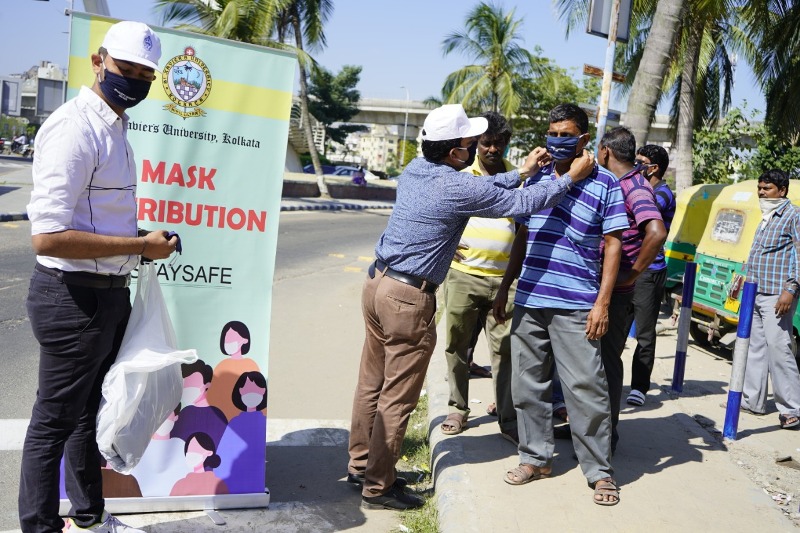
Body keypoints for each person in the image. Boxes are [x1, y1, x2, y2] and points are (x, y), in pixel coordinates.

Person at [347, 103, 595, 511]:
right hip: (407, 298)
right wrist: (569, 178)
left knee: (371, 383)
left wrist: (522, 172)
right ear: (455, 152)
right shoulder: (456, 186)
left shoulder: (416, 169)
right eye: (469, 142)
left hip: (378, 283)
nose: (476, 147)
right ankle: (378, 486)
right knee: (397, 395)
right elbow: (521, 204)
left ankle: (361, 465)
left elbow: (488, 187)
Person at [20, 21, 178, 533]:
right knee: (54, 422)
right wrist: (139, 246)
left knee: (87, 415)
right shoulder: (75, 128)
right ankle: (40, 527)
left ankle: (88, 517)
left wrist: (141, 240)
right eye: (125, 69)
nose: (134, 81)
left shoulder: (116, 127)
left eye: (145, 75)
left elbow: (96, 220)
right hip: (72, 299)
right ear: (98, 62)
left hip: (106, 295)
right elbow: (47, 237)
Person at [493, 103, 627, 506]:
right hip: (531, 297)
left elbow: (614, 244)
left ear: (583, 138)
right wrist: (506, 287)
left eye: (565, 135)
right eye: (552, 133)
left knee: (586, 389)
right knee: (527, 385)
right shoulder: (537, 178)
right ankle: (535, 458)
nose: (556, 141)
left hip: (577, 303)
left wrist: (602, 303)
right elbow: (521, 235)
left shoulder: (606, 183)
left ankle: (599, 471)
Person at [440, 111, 519, 443]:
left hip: (506, 281)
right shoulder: (461, 175)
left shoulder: (519, 177)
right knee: (457, 345)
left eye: (499, 143)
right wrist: (446, 245)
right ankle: (457, 409)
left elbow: (525, 228)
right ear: (476, 143)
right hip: (463, 277)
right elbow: (440, 214)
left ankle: (508, 418)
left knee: (506, 351)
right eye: (486, 143)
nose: (492, 149)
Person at [597, 127, 667, 455]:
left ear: (606, 151)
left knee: (607, 360)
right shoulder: (617, 182)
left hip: (617, 288)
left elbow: (656, 232)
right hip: (604, 283)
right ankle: (592, 428)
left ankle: (605, 436)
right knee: (595, 361)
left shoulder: (634, 186)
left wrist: (633, 273)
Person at [742, 170, 800, 429]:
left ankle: (791, 409)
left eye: (767, 189)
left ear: (782, 190)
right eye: (760, 188)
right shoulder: (766, 216)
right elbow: (758, 252)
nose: (762, 193)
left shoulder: (794, 215)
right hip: (755, 290)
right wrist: (743, 279)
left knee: (779, 348)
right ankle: (752, 401)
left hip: (777, 294)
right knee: (755, 347)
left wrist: (791, 289)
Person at [625, 145, 675, 406]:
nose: (635, 165)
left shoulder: (662, 194)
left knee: (644, 333)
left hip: (649, 272)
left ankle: (639, 387)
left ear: (653, 168)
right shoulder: (638, 188)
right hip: (627, 267)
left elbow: (643, 212)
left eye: (640, 162)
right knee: (616, 329)